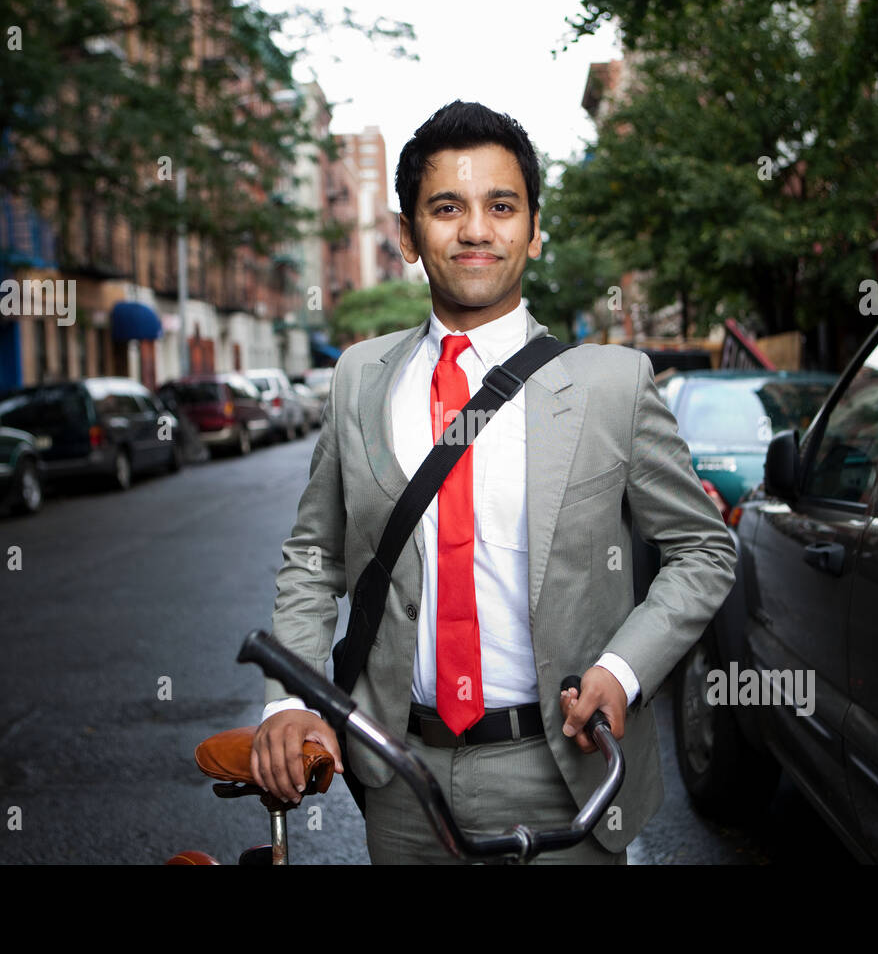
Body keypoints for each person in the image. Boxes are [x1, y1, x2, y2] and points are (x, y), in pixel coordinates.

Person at [250, 100, 737, 864]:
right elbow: (313, 560)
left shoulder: (615, 385)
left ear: (534, 229)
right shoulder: (356, 380)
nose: (476, 230)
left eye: (501, 206)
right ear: (409, 236)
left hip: (566, 773)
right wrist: (288, 702)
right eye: (447, 208)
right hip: (401, 778)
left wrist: (623, 670)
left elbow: (703, 551)